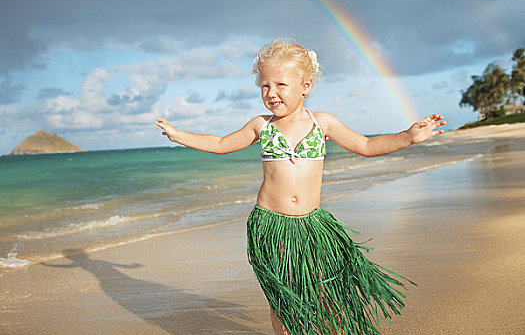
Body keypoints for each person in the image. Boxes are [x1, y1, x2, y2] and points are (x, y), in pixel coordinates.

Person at [155, 38, 446, 335]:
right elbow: (220, 144)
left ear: (305, 86)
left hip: (312, 226)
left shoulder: (322, 123)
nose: (272, 93)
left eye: (281, 85)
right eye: (265, 86)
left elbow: (366, 144)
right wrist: (180, 135)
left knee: (327, 290)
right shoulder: (261, 126)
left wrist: (408, 137)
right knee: (284, 297)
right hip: (271, 225)